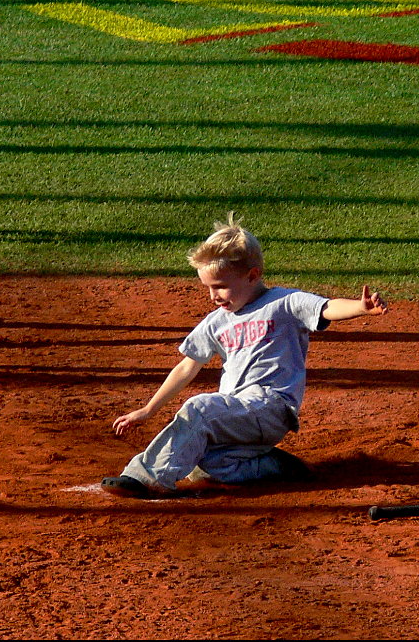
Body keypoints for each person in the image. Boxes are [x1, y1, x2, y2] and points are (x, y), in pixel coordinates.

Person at [101, 212, 388, 499]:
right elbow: (187, 367)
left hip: (271, 406)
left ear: (252, 276)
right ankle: (272, 465)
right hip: (237, 412)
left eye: (220, 286)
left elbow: (326, 308)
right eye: (208, 288)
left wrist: (359, 308)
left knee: (200, 408)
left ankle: (147, 477)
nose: (213, 296)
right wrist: (148, 409)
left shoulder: (284, 303)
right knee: (208, 464)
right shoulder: (216, 321)